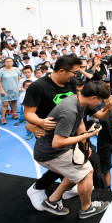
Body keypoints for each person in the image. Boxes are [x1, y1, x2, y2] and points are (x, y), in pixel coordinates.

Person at [33, 80, 110, 219]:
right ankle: (87, 208)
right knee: (87, 171)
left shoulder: (77, 100)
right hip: (51, 153)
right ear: (93, 98)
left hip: (53, 149)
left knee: (77, 168)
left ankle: (53, 200)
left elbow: (80, 122)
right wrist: (88, 135)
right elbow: (58, 142)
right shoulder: (70, 110)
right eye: (100, 101)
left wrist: (85, 145)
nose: (100, 104)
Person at [23, 54, 82, 211]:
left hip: (70, 131)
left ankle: (67, 187)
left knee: (73, 161)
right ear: (62, 70)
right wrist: (40, 123)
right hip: (49, 135)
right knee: (62, 162)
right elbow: (28, 114)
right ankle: (37, 189)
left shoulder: (71, 82)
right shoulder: (38, 87)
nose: (76, 76)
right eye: (74, 72)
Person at [0, 57, 20, 124]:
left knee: (14, 101)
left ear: (13, 62)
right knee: (5, 104)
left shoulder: (17, 70)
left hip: (14, 89)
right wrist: (1, 90)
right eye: (7, 61)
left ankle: (14, 113)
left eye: (10, 61)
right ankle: (3, 117)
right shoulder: (0, 71)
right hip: (5, 89)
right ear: (4, 62)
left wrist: (18, 86)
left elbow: (19, 78)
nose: (9, 62)